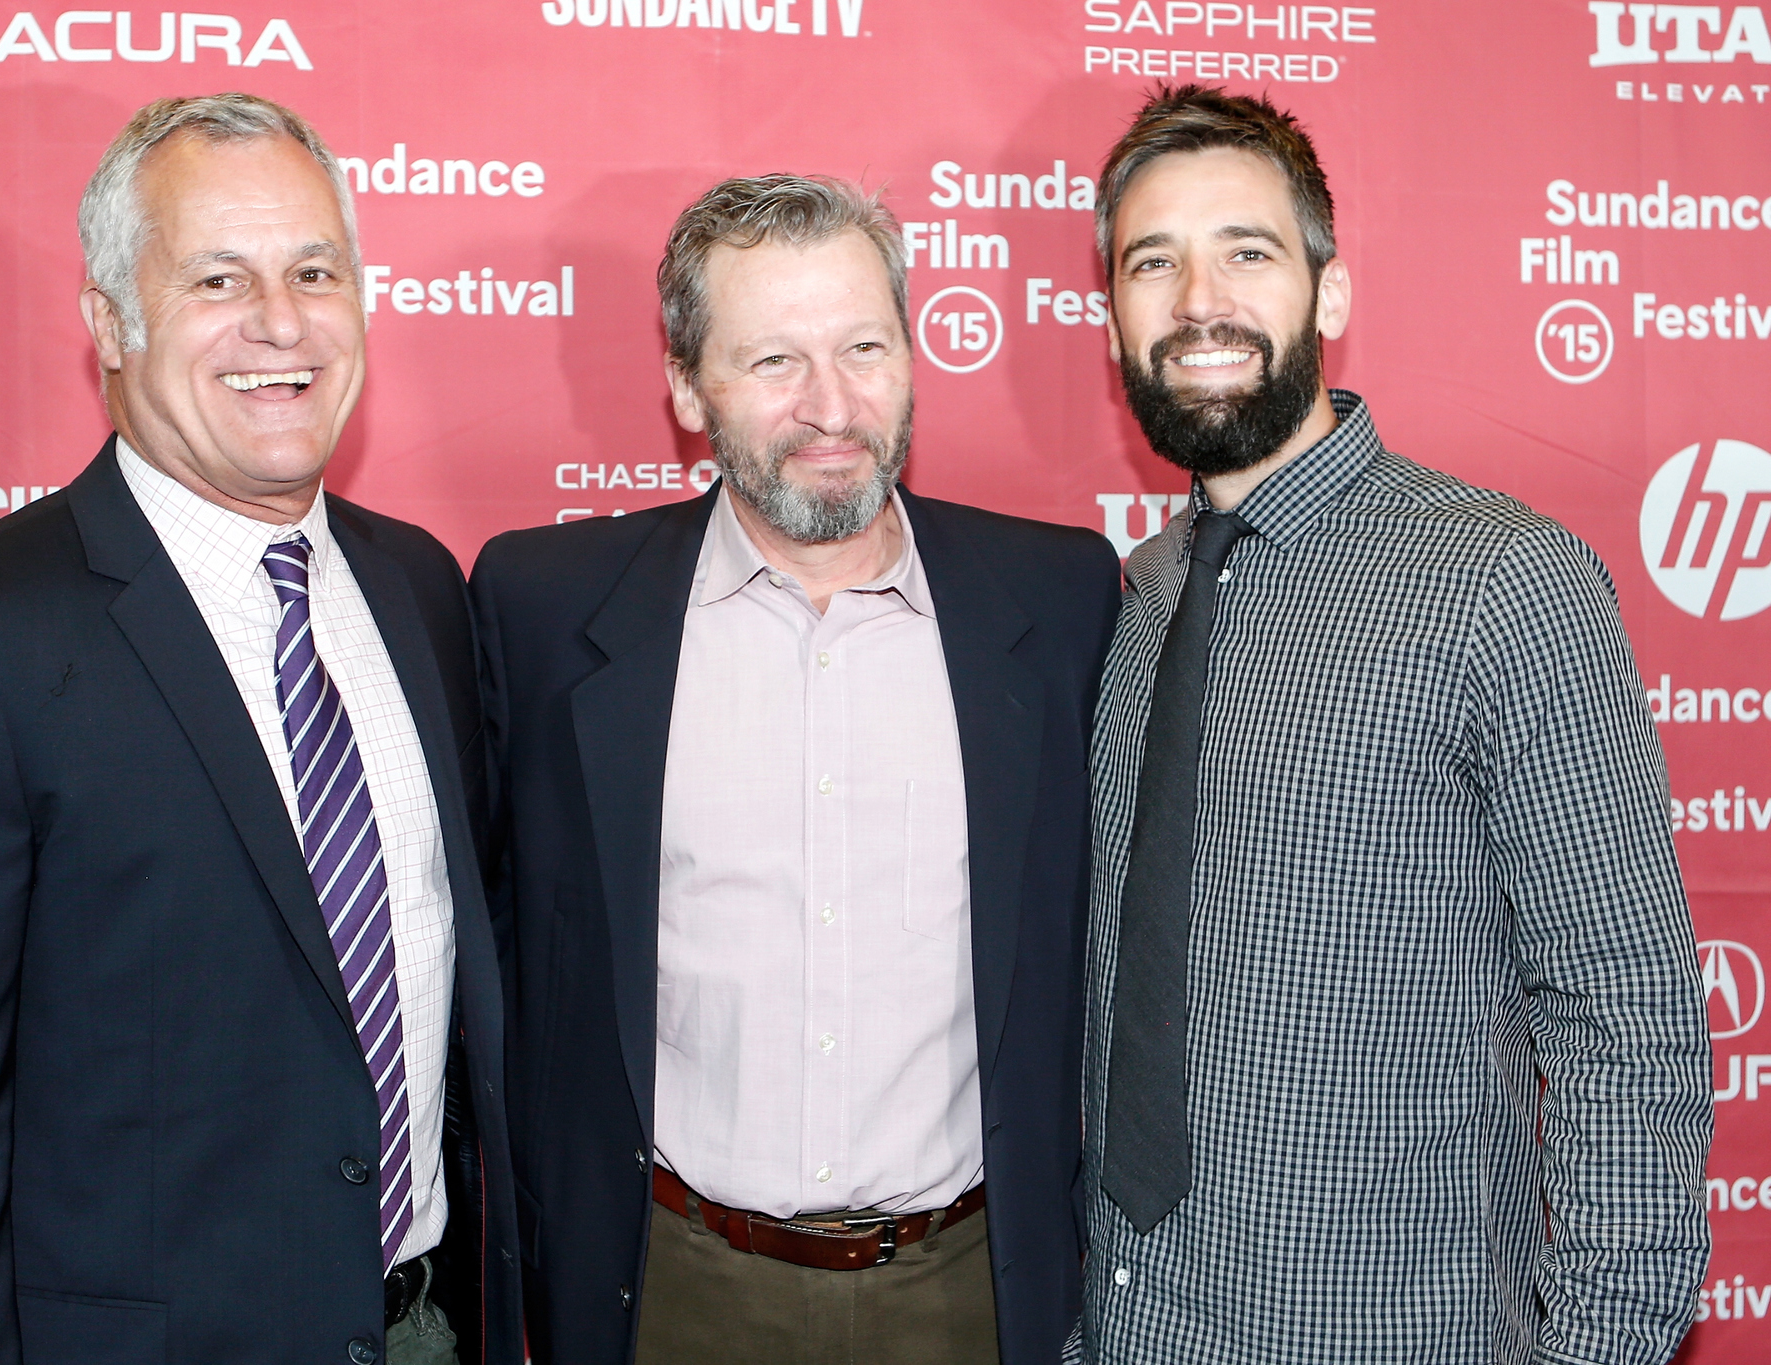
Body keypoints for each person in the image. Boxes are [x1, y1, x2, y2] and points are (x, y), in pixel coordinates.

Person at [0, 94, 521, 1365]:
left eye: (315, 271)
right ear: (108, 325)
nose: (280, 323)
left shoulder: (421, 588)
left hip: (423, 1330)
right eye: (215, 278)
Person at [1078, 85, 1712, 1364]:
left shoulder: (1498, 582)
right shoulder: (1133, 597)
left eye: (1245, 252)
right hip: (1130, 1327)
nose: (1198, 299)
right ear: (1114, 319)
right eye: (1154, 262)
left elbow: (1622, 1016)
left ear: (1331, 293)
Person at [471, 175, 1120, 1365]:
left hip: (969, 1291)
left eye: (864, 348)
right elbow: (493, 955)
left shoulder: (1059, 599)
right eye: (772, 361)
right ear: (683, 385)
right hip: (668, 1291)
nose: (832, 406)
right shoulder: (543, 611)